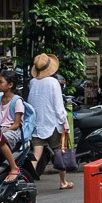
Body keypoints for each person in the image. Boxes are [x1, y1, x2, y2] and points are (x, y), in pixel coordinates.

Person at [27, 53, 72, 190]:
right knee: (59, 151)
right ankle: (63, 181)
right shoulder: (53, 82)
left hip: (37, 123)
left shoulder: (33, 82)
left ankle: (27, 181)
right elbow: (58, 106)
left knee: (36, 153)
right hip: (52, 123)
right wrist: (64, 122)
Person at [0, 69, 25, 182]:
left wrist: (2, 131)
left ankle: (13, 167)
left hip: (12, 131)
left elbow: (16, 125)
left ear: (10, 84)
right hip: (0, 129)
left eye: (1, 82)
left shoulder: (17, 101)